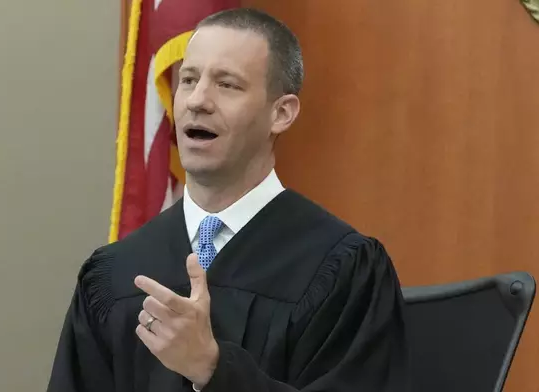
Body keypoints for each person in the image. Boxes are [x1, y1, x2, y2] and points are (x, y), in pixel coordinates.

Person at [47, 7, 410, 392]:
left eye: (227, 85)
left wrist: (214, 370)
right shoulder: (115, 273)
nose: (197, 100)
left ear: (281, 113)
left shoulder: (342, 270)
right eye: (188, 79)